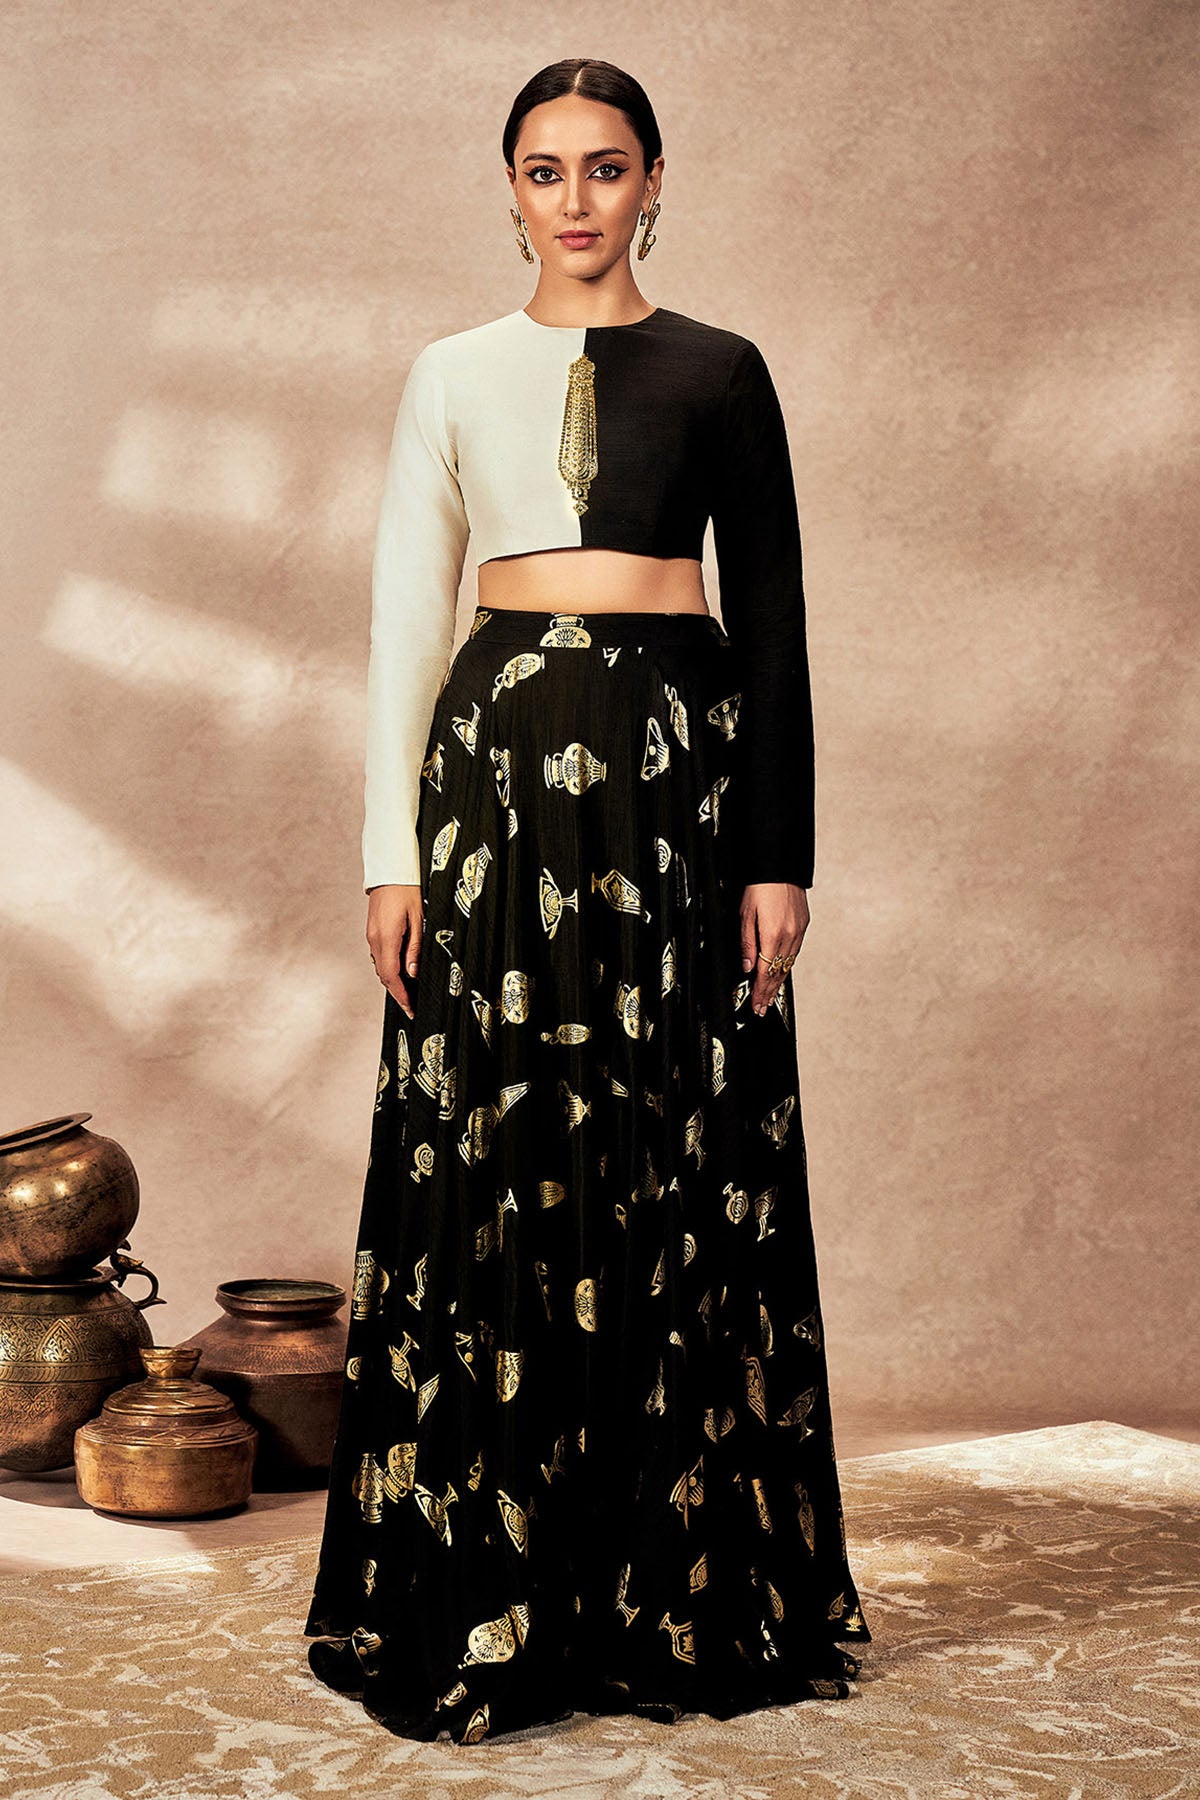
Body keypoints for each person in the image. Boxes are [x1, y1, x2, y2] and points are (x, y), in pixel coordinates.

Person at [302, 56, 871, 1744]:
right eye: (545, 170)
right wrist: (389, 856)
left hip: (678, 779)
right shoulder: (450, 372)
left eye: (605, 167)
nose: (575, 198)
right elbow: (405, 620)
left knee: (671, 1145)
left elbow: (774, 621)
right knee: (500, 1146)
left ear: (654, 181)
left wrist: (779, 854)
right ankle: (495, 1588)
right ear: (510, 190)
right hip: (495, 789)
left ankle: (669, 1593)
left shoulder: (722, 370)